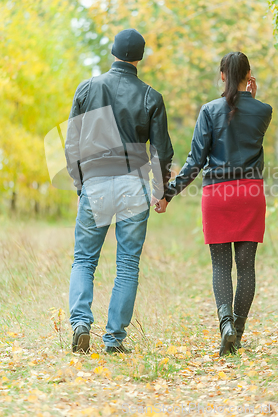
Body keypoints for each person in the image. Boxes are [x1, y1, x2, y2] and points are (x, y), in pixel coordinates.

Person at [65, 28, 173, 354]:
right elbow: (161, 152)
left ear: (113, 52)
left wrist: (79, 181)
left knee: (84, 259)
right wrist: (161, 191)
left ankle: (81, 323)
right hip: (133, 184)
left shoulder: (89, 87)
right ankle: (114, 340)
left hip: (95, 180)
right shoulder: (151, 96)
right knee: (127, 264)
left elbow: (72, 140)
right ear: (139, 58)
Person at [159, 52, 272, 355]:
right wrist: (253, 97)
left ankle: (224, 324)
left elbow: (195, 162)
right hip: (250, 193)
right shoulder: (264, 110)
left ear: (222, 76)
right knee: (246, 268)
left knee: (221, 266)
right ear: (249, 75)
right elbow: (250, 120)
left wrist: (169, 193)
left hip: (217, 195)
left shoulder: (209, 111)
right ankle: (237, 330)